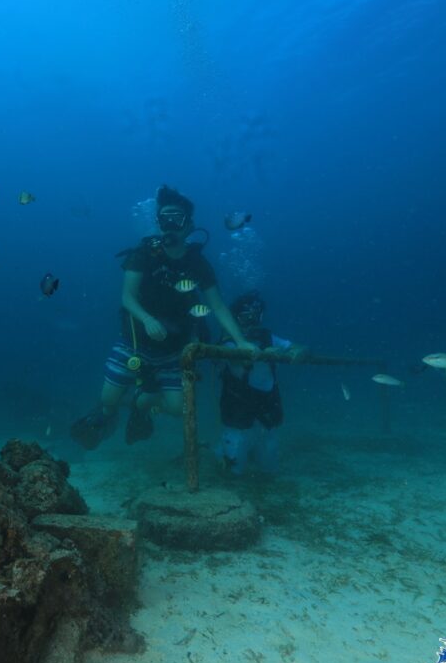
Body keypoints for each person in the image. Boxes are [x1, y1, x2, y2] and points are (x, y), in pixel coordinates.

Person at [71, 185, 258, 450]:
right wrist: (147, 319)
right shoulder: (143, 254)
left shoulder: (198, 264)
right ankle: (112, 412)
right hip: (134, 344)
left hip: (174, 350)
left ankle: (142, 403)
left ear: (189, 224)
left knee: (176, 408)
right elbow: (127, 296)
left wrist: (240, 341)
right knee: (108, 401)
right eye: (164, 218)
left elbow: (217, 306)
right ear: (157, 222)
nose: (170, 224)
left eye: (177, 218)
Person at [216, 290, 308, 475]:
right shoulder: (229, 339)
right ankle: (224, 452)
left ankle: (252, 453)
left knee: (269, 468)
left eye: (255, 318)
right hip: (238, 406)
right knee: (234, 470)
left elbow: (299, 347)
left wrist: (299, 352)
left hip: (266, 405)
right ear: (235, 318)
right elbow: (235, 359)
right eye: (244, 318)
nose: (250, 323)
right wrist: (266, 353)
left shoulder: (268, 337)